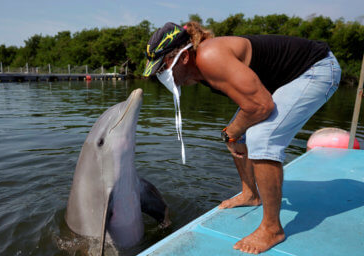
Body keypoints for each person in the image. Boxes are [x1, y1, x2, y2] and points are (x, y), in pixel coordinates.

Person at [143, 21, 341, 254]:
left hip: (317, 68)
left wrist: (232, 133)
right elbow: (253, 104)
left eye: (162, 68)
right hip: (285, 79)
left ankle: (272, 228)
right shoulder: (200, 66)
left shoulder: (210, 56)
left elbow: (261, 106)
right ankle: (250, 194)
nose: (160, 75)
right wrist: (233, 133)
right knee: (238, 133)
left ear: (184, 58)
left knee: (261, 137)